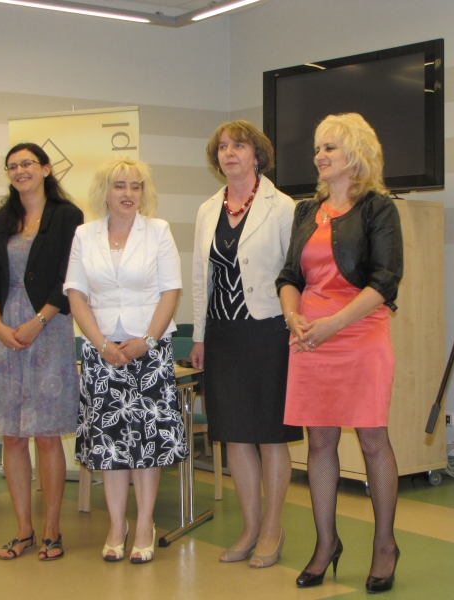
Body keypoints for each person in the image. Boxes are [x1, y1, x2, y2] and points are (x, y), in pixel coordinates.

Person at [277, 113, 404, 592]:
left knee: (372, 440)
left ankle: (385, 545)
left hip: (360, 333)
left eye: (329, 147)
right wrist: (293, 316)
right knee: (320, 443)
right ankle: (326, 543)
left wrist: (333, 324)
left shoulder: (378, 208)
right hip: (310, 336)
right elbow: (289, 276)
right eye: (318, 148)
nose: (319, 155)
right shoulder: (305, 211)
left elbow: (385, 281)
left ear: (355, 153)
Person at [190, 120, 303, 568]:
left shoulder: (282, 207)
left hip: (269, 330)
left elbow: (295, 274)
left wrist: (295, 323)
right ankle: (251, 526)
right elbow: (200, 278)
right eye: (222, 147)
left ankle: (273, 528)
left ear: (258, 155)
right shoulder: (207, 209)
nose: (229, 153)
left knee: (270, 435)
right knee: (234, 434)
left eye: (239, 145)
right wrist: (199, 336)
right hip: (223, 334)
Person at [65, 156, 184, 564]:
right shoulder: (84, 235)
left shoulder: (158, 231)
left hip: (148, 350)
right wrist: (101, 344)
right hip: (101, 351)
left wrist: (147, 340)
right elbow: (76, 295)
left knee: (147, 441)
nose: (128, 193)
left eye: (136, 186)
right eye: (120, 185)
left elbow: (170, 291)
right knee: (109, 442)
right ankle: (117, 525)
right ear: (105, 192)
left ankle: (145, 523)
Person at [0, 142, 84, 561]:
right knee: (13, 434)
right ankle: (23, 530)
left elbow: (70, 276)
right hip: (4, 332)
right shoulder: (1, 218)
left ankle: (52, 530)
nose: (20, 171)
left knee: (47, 435)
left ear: (45, 168)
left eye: (27, 164)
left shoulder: (67, 216)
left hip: (49, 329)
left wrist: (38, 321)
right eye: (13, 166)